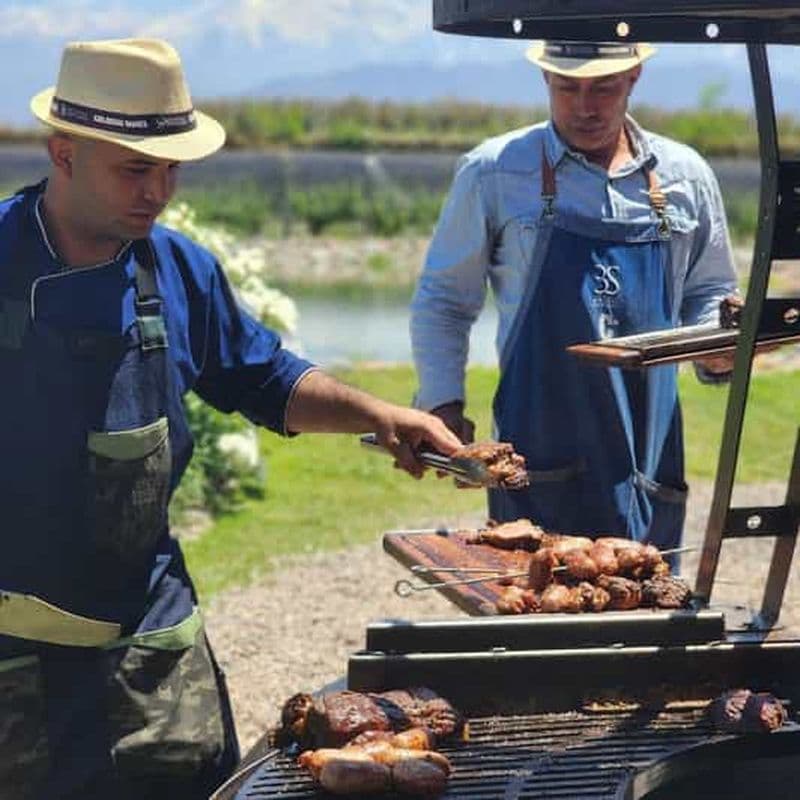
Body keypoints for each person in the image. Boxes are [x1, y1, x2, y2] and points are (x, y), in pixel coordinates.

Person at [0, 38, 461, 800]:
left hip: (154, 647)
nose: (160, 191)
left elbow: (264, 378)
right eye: (137, 169)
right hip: (13, 662)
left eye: (172, 168)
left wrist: (379, 416)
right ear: (64, 152)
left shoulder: (176, 267)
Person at [410, 40, 738, 556]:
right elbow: (444, 300)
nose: (585, 106)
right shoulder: (494, 171)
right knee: (539, 610)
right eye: (569, 87)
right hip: (537, 455)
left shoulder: (686, 176)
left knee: (646, 609)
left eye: (603, 87)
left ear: (634, 76)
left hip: (649, 456)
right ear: (545, 80)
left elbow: (710, 293)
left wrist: (718, 350)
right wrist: (442, 404)